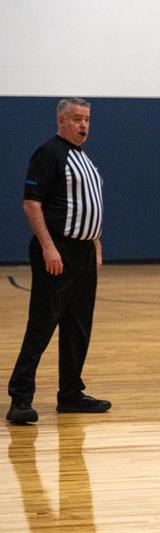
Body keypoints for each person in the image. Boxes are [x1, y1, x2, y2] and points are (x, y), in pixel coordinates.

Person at [7, 98, 111, 425]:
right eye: (78, 119)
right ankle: (20, 398)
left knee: (78, 327)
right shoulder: (49, 153)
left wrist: (95, 244)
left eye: (87, 119)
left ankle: (70, 394)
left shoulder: (84, 158)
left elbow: (88, 207)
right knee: (42, 325)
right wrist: (48, 247)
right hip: (57, 251)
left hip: (82, 253)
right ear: (61, 120)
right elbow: (31, 204)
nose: (84, 125)